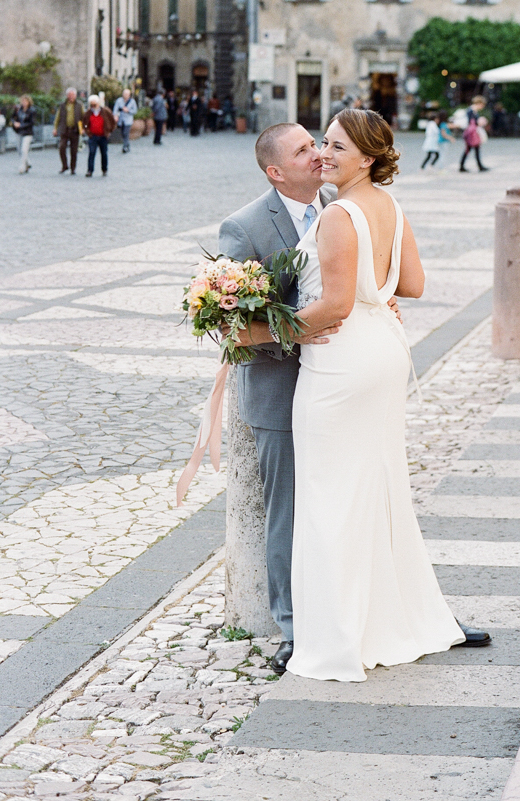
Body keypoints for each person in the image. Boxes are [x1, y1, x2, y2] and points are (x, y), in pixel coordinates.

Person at [285, 109, 488, 681]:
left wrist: (274, 329)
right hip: (384, 352)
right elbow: (414, 284)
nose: (325, 154)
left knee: (330, 499)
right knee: (376, 489)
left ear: (368, 158)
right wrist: (379, 290)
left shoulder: (338, 215)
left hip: (341, 361)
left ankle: (339, 636)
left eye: (337, 148)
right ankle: (390, 617)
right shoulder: (390, 208)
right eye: (322, 144)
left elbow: (335, 306)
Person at [218, 124, 341, 676]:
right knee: (287, 513)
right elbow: (232, 328)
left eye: (316, 143)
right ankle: (293, 627)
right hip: (279, 390)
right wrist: (295, 331)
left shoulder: (339, 205)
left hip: (339, 383)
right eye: (302, 150)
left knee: (348, 499)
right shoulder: (244, 228)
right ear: (275, 171)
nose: (317, 154)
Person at [83, 94, 115, 176]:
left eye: (95, 104)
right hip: (93, 136)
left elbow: (112, 121)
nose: (93, 106)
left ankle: (104, 169)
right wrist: (87, 130)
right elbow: (85, 123)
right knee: (91, 153)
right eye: (91, 105)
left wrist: (109, 130)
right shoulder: (88, 113)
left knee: (104, 153)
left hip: (103, 136)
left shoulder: (105, 111)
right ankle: (90, 170)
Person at [53, 88, 83, 174]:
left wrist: (83, 128)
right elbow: (57, 117)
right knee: (62, 147)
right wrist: (55, 128)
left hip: (75, 130)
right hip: (64, 130)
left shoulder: (79, 105)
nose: (71, 97)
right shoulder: (63, 105)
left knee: (74, 150)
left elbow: (83, 117)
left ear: (75, 96)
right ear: (67, 95)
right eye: (69, 95)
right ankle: (64, 165)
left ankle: (73, 168)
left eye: (73, 95)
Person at [459, 97, 489, 172]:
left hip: (472, 133)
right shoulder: (471, 111)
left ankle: (465, 165)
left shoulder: (472, 111)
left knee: (473, 149)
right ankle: (463, 166)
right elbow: (471, 123)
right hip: (471, 133)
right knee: (470, 149)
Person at [11, 95, 36, 174]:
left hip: (27, 132)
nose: (24, 103)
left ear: (29, 102)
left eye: (25, 101)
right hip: (18, 132)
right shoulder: (18, 110)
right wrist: (14, 123)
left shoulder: (32, 110)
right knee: (19, 150)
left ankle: (22, 166)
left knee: (24, 149)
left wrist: (21, 125)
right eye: (23, 101)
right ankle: (27, 163)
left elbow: (32, 122)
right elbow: (12, 117)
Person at [113, 89, 137, 154]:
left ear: (129, 95)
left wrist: (128, 110)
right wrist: (115, 116)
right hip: (121, 120)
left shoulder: (132, 101)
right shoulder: (119, 101)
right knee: (123, 133)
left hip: (128, 120)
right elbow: (115, 109)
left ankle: (125, 147)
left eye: (126, 94)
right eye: (124, 94)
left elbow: (135, 111)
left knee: (126, 133)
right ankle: (127, 144)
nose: (125, 95)